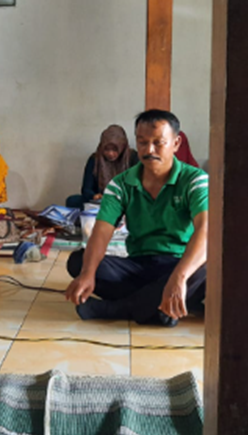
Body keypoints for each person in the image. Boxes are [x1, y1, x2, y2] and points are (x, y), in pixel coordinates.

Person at [65, 109, 208, 326]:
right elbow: (102, 231)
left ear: (176, 143)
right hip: (139, 265)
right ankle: (157, 306)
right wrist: (88, 273)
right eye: (142, 142)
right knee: (80, 262)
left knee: (208, 267)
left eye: (158, 143)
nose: (149, 150)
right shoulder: (121, 184)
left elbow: (206, 230)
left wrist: (179, 278)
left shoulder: (195, 180)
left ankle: (117, 309)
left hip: (180, 262)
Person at [66, 125, 140, 208]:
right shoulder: (95, 159)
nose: (110, 153)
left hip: (124, 200)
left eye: (115, 149)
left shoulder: (133, 158)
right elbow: (86, 189)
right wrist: (94, 196)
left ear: (122, 147)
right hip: (101, 201)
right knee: (72, 200)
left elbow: (138, 187)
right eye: (106, 149)